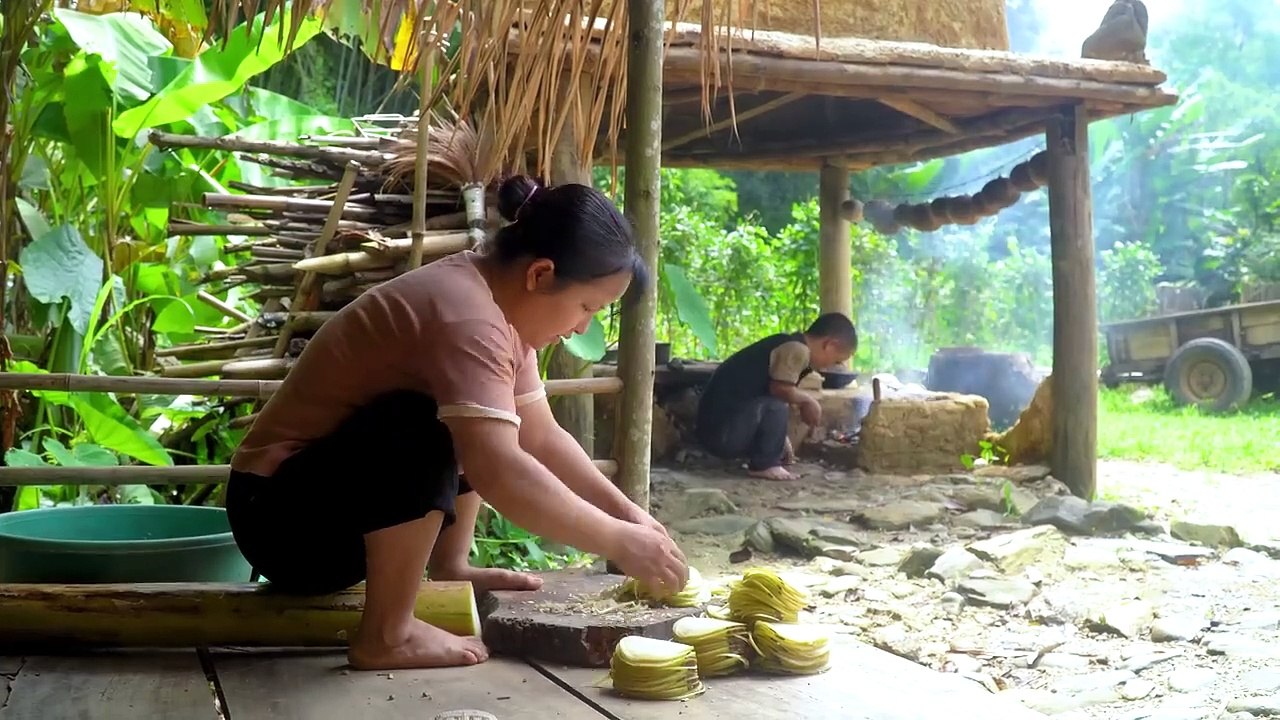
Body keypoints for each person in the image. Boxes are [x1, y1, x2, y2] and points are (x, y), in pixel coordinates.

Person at [225, 175, 688, 671]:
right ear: (540, 275)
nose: (581, 327)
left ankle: (451, 564)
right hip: (280, 523)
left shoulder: (500, 310)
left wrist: (633, 518)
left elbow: (542, 438)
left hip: (324, 513)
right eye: (586, 307)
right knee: (424, 424)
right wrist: (617, 541)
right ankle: (386, 635)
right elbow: (501, 471)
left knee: (476, 419)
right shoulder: (466, 317)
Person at [694, 313, 858, 481]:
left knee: (778, 401)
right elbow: (780, 390)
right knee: (778, 402)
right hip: (722, 435)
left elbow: (760, 393)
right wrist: (809, 401)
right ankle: (764, 466)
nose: (833, 367)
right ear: (829, 345)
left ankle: (766, 459)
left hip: (720, 430)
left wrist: (777, 441)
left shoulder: (788, 344)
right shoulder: (797, 349)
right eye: (837, 361)